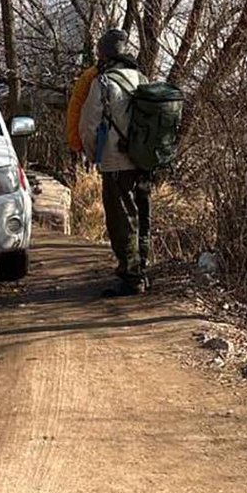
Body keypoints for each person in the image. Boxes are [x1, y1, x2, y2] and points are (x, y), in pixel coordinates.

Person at [78, 29, 151, 297]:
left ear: (105, 54)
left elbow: (88, 126)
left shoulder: (104, 82)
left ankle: (130, 278)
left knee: (121, 220)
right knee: (142, 216)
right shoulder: (142, 79)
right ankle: (141, 270)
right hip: (143, 161)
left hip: (115, 162)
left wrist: (92, 153)